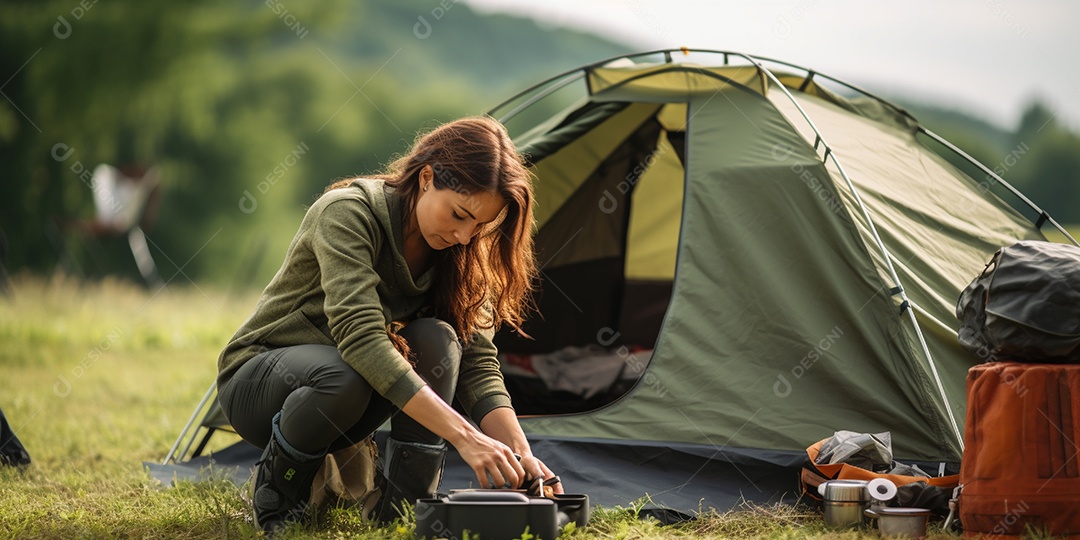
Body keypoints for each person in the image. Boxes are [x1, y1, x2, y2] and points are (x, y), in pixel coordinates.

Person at [216, 116, 562, 534]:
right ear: (426, 177)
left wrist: (520, 453)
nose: (465, 235)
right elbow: (361, 340)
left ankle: (400, 508)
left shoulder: (461, 251)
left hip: (348, 396)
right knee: (345, 373)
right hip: (261, 384)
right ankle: (277, 497)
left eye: (479, 225)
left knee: (440, 339)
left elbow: (477, 362)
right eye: (459, 214)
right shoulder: (347, 212)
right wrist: (465, 438)